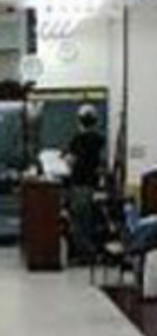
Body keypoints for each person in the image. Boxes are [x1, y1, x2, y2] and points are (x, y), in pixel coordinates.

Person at [63, 104, 106, 261]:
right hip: (93, 183)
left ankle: (84, 252)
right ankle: (90, 250)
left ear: (79, 121)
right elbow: (101, 163)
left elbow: (71, 161)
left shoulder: (77, 140)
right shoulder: (100, 140)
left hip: (79, 183)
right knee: (90, 218)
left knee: (79, 219)